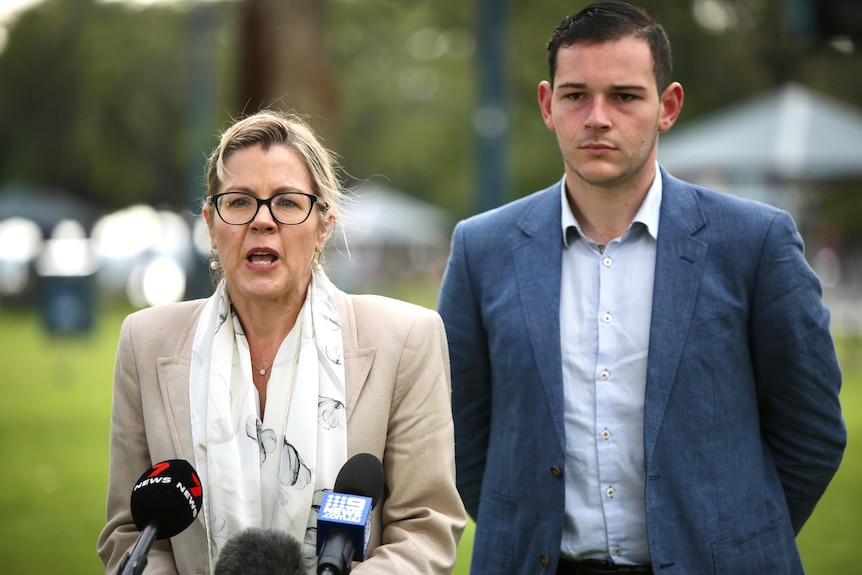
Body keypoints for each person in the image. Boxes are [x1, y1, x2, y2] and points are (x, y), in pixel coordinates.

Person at [437, 2, 846, 574]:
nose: (598, 117)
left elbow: (812, 432)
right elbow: (457, 429)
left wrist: (732, 533)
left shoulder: (754, 242)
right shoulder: (482, 248)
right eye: (575, 95)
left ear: (667, 107)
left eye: (625, 96)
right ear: (547, 106)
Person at [98, 109, 466, 574]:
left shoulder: (406, 338)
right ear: (211, 224)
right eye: (240, 202)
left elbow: (424, 529)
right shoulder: (145, 341)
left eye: (288, 203)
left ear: (323, 226)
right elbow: (129, 533)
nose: (263, 221)